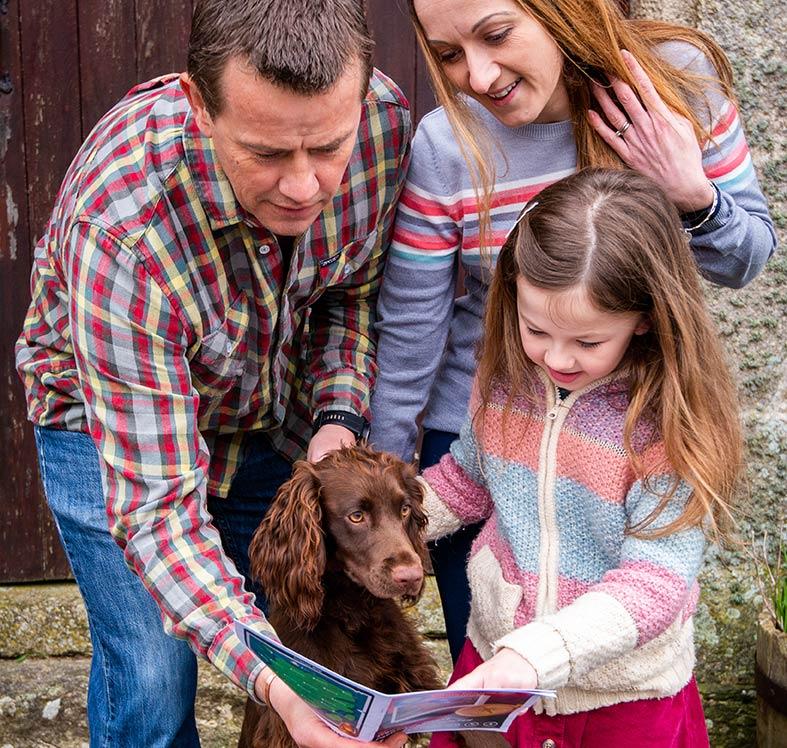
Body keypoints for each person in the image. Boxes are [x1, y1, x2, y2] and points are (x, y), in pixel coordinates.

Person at [15, 1, 412, 747]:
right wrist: (279, 685)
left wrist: (336, 421)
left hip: (267, 411)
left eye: (327, 148)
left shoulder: (383, 125)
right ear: (199, 104)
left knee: (314, 646)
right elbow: (161, 515)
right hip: (109, 428)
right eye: (265, 154)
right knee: (154, 677)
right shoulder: (121, 229)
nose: (303, 186)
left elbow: (350, 293)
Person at [369, 0, 776, 663]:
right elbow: (411, 327)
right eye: (447, 54)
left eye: (495, 35)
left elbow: (745, 257)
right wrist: (383, 484)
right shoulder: (447, 146)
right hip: (484, 438)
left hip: (633, 436)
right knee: (492, 675)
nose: (477, 74)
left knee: (616, 646)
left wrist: (689, 192)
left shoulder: (675, 80)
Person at [419, 167, 742, 747]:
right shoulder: (507, 386)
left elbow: (655, 583)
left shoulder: (667, 427)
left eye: (588, 342)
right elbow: (464, 482)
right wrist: (378, 523)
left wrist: (539, 656)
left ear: (645, 317)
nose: (556, 357)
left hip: (618, 699)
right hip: (496, 666)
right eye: (535, 329)